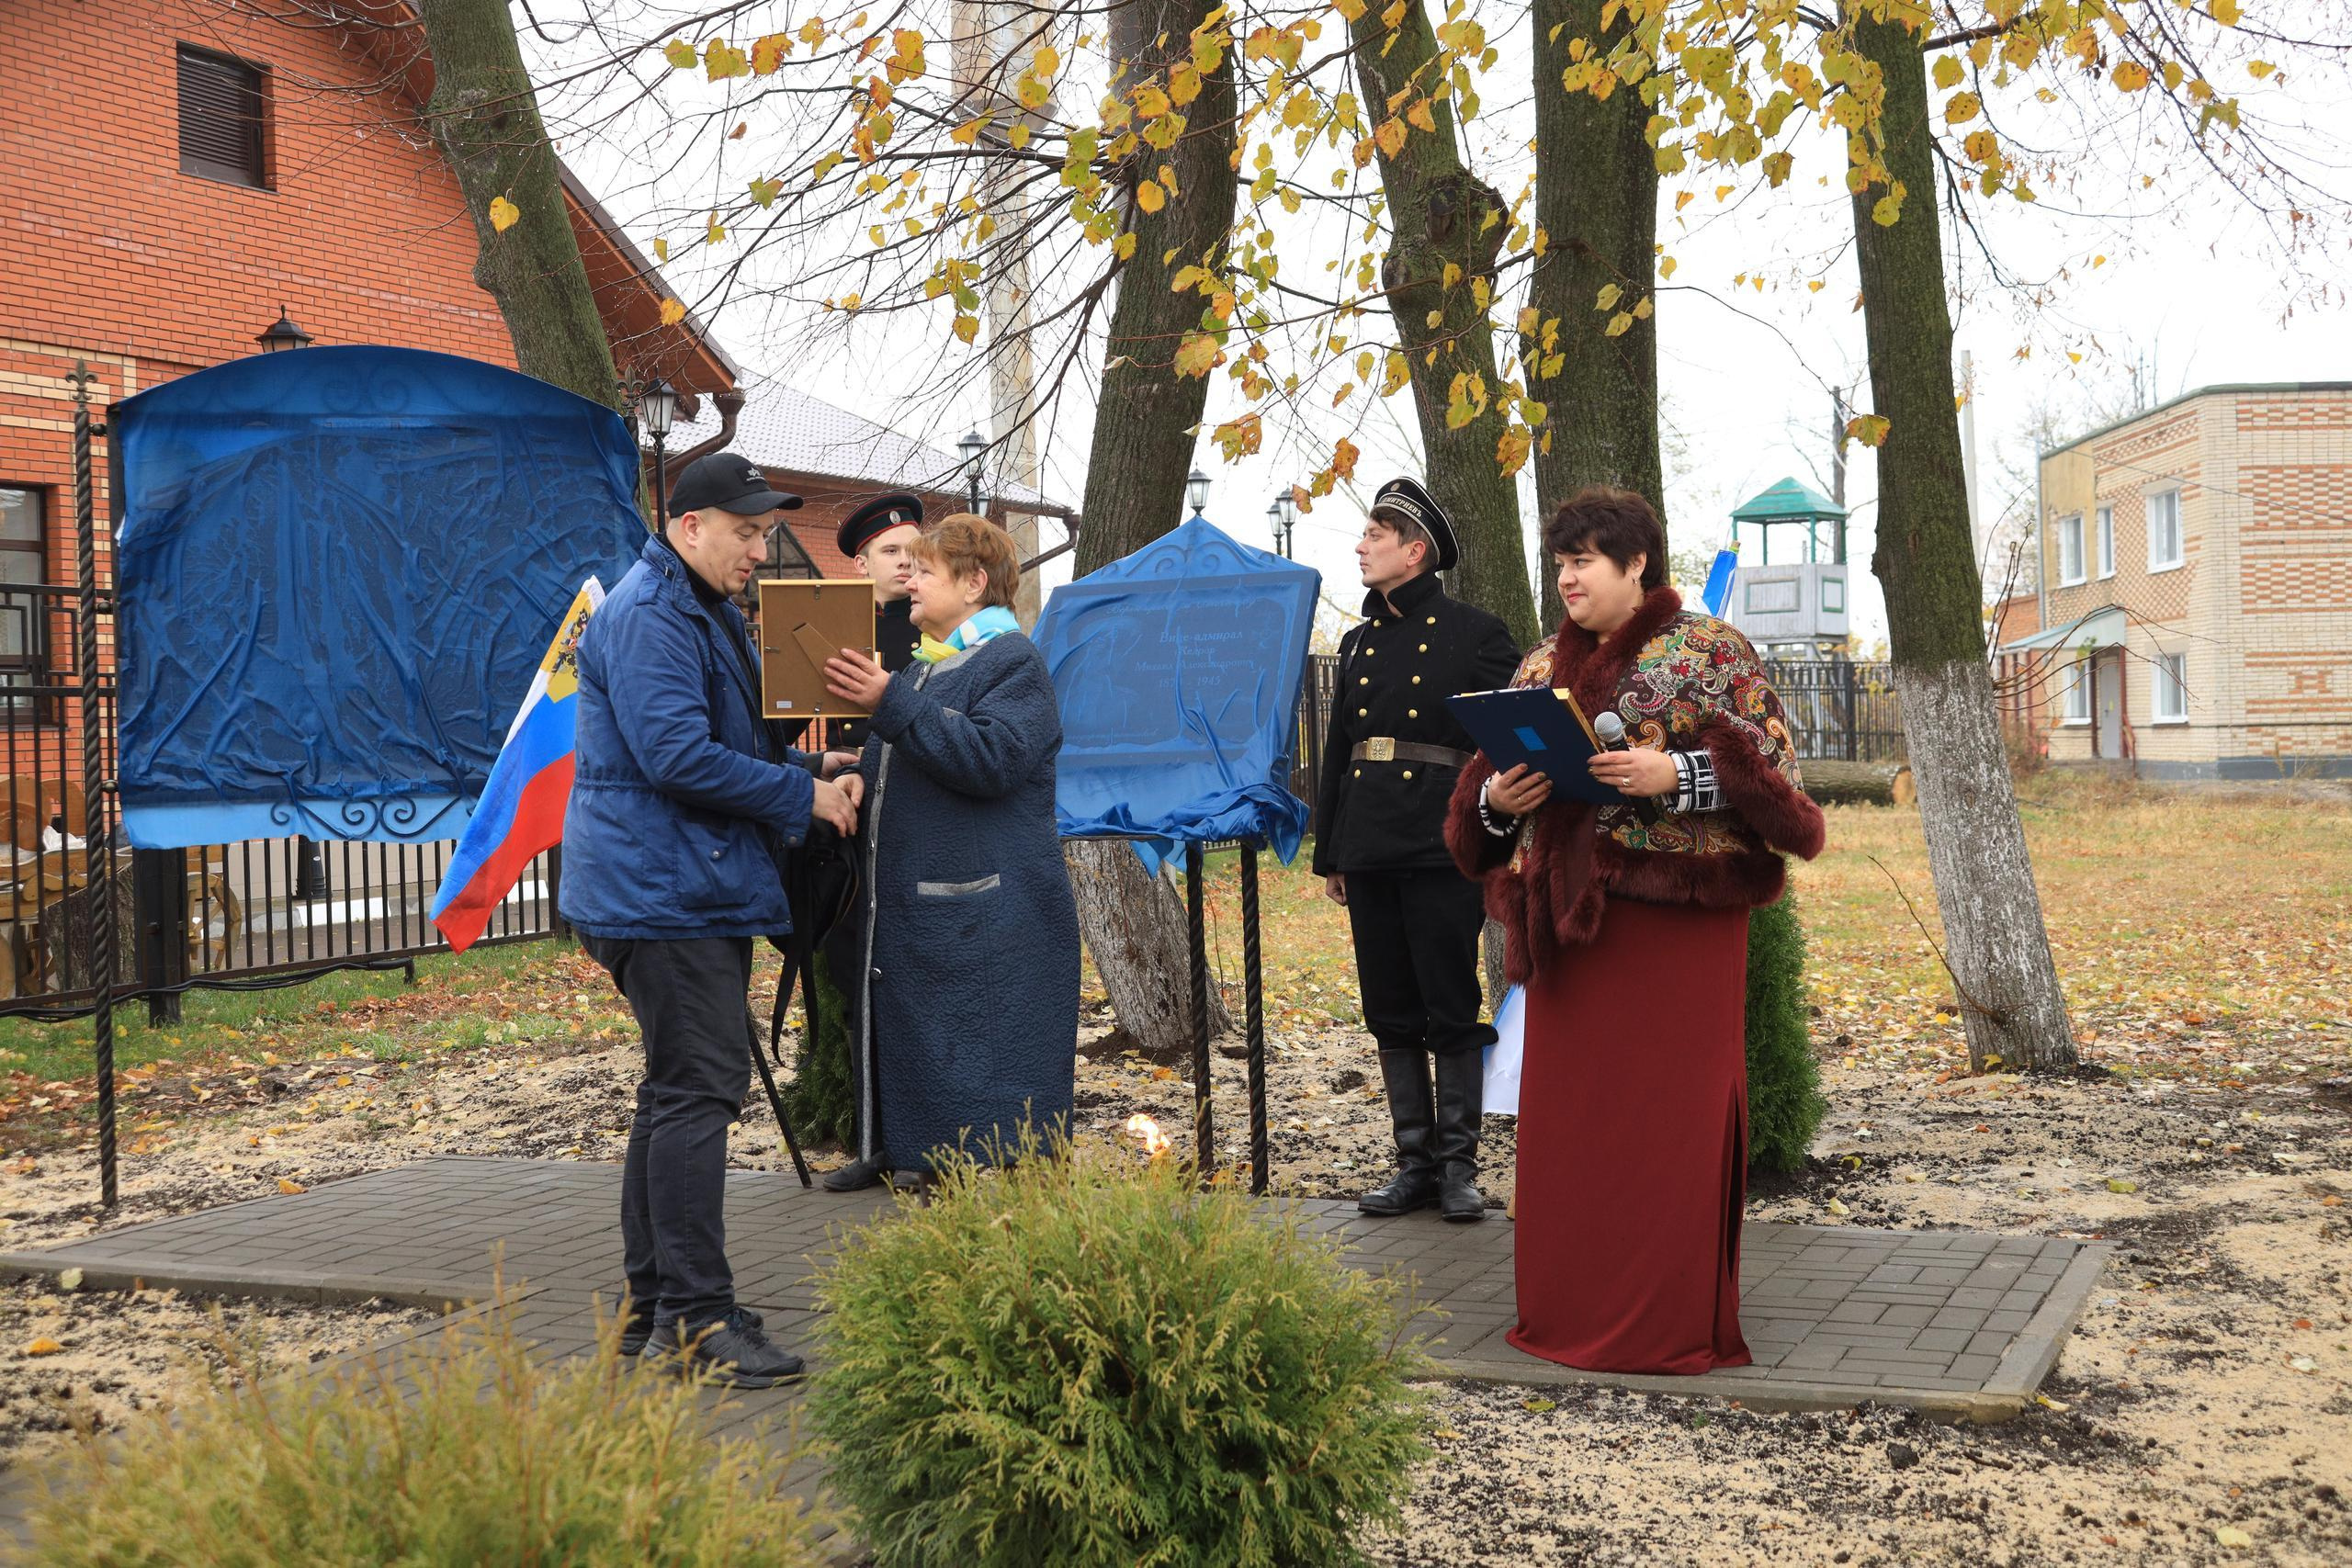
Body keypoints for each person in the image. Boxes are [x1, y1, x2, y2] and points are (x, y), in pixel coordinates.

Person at [1444, 485, 1825, 1375]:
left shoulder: (1711, 652)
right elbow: (1476, 817)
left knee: (1667, 1133)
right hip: (1568, 944)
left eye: (1583, 561)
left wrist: (1676, 776)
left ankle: (1661, 1323)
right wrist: (1499, 800)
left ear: (1636, 562)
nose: (1567, 578)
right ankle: (1565, 1309)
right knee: (1575, 1135)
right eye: (1560, 563)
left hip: (1677, 940)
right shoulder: (1541, 664)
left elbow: (1783, 789)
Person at [561, 450, 863, 1390]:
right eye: (745, 532)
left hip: (672, 885)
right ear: (689, 527)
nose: (759, 549)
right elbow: (677, 758)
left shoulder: (701, 606)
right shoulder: (652, 614)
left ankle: (653, 1313)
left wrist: (810, 767)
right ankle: (695, 1321)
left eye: (764, 532)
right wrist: (802, 798)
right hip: (664, 894)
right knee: (698, 1093)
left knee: (673, 1094)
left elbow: (723, 740)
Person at [820, 514, 1078, 1184]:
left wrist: (890, 702)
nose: (909, 580)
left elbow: (994, 758)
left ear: (973, 583)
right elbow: (912, 754)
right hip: (934, 911)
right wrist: (859, 775)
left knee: (987, 1054)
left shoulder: (1012, 661)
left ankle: (984, 1182)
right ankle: (910, 1154)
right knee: (930, 1041)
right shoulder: (929, 665)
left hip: (988, 914)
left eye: (926, 570)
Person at [1312, 477, 1520, 1222]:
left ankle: (1460, 1167)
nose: (1360, 546)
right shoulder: (1357, 643)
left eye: (1375, 534)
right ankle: (1414, 1164)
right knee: (1390, 1006)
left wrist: (1491, 832)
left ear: (1415, 550)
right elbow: (1339, 752)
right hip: (1369, 840)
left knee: (1450, 1003)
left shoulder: (1476, 633)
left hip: (1441, 840)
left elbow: (1506, 742)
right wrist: (1332, 852)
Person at [817, 492, 928, 1193]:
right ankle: (874, 1142)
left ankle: (929, 1141)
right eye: (890, 551)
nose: (906, 561)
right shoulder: (838, 632)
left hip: (919, 829)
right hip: (858, 834)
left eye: (915, 549)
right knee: (859, 982)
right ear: (861, 564)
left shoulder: (938, 630)